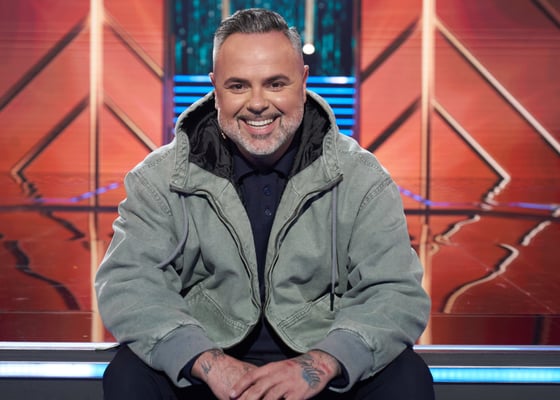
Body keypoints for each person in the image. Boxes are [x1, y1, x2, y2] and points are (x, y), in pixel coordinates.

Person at [95, 8, 434, 400]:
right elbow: (129, 283)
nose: (257, 103)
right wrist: (206, 361)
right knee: (128, 372)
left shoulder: (362, 178)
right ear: (215, 88)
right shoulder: (158, 178)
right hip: (205, 369)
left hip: (321, 369)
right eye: (238, 86)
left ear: (303, 82)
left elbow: (395, 292)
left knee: (407, 375)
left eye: (275, 84)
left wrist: (322, 363)